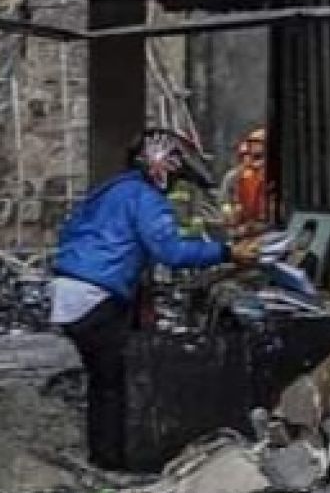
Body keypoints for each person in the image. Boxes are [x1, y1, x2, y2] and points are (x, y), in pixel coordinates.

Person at [50, 128, 260, 470]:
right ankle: (112, 460)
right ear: (163, 166)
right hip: (97, 294)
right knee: (113, 382)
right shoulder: (146, 199)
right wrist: (228, 252)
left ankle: (106, 455)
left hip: (72, 291)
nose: (178, 186)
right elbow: (171, 252)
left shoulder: (115, 189)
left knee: (104, 379)